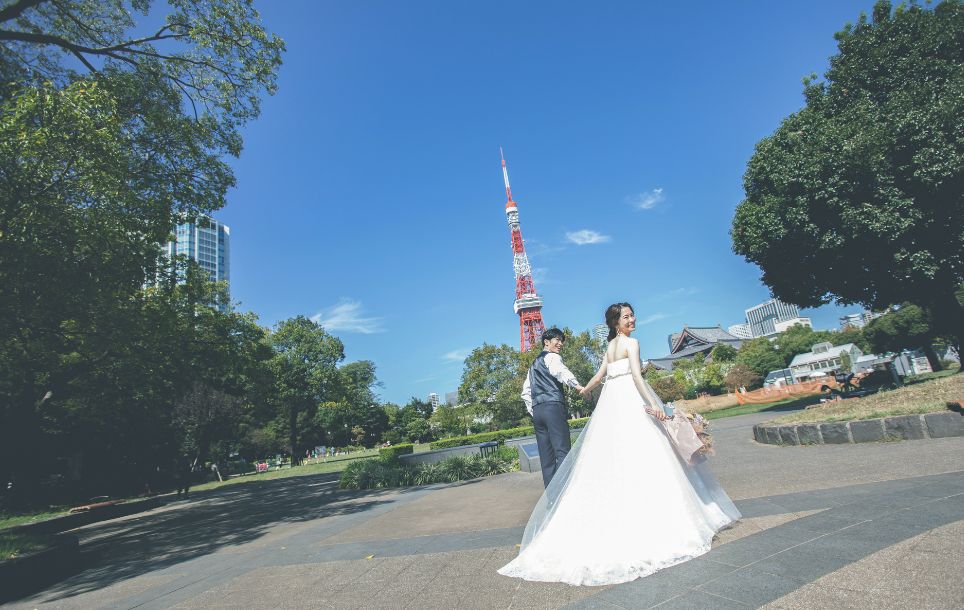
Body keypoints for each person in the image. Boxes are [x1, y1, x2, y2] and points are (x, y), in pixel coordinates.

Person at [498, 303, 741, 586]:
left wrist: (584, 389)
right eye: (627, 316)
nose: (632, 319)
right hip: (622, 400)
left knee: (603, 453)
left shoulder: (607, 349)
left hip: (606, 405)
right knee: (645, 451)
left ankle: (560, 497)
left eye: (631, 315)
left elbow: (597, 377)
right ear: (616, 322)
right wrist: (654, 404)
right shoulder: (631, 344)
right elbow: (637, 377)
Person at [521, 327, 585, 487]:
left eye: (561, 340)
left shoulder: (533, 366)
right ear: (547, 342)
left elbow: (525, 392)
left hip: (538, 411)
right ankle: (563, 492)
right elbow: (561, 372)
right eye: (557, 340)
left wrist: (534, 409)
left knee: (546, 456)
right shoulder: (552, 357)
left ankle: (550, 497)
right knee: (563, 450)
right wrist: (578, 386)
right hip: (553, 407)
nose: (560, 343)